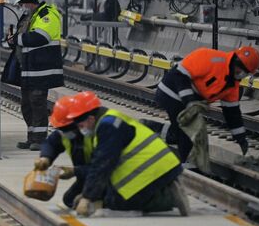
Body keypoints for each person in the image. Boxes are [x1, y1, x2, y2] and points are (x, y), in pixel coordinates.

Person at [40, 92, 189, 216]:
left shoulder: (108, 127)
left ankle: (169, 197)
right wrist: (45, 158)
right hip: (131, 167)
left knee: (116, 203)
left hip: (155, 169)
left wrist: (88, 197)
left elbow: (102, 165)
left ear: (89, 119)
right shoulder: (85, 127)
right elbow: (53, 143)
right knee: (71, 200)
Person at [155, 46, 259, 167]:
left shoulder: (232, 86)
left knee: (178, 133)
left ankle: (153, 129)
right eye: (239, 70)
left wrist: (241, 138)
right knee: (190, 133)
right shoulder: (211, 59)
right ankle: (190, 168)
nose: (240, 74)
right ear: (234, 60)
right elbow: (179, 76)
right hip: (171, 92)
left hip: (186, 101)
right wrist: (189, 102)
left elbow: (232, 113)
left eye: (244, 73)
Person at [6, 0, 64, 151]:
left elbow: (40, 37)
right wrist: (13, 40)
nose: (22, 7)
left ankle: (39, 139)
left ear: (30, 0)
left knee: (37, 102)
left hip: (42, 69)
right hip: (29, 69)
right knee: (26, 104)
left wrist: (17, 40)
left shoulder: (47, 15)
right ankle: (31, 137)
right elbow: (22, 39)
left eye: (23, 3)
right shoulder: (28, 16)